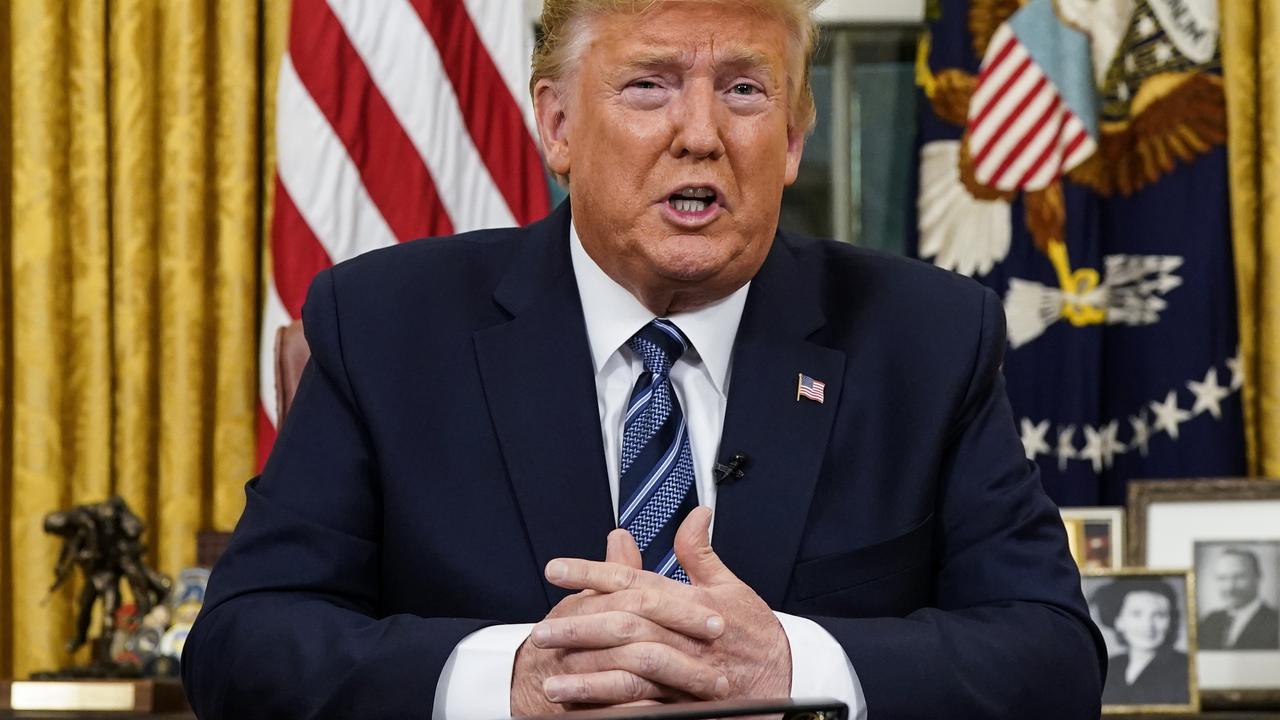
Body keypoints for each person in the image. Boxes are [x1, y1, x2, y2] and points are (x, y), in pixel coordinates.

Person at [181, 1, 1105, 717]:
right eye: (648, 86)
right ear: (557, 127)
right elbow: (244, 646)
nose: (699, 131)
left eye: (745, 89)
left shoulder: (927, 338)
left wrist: (786, 665)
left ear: (791, 140)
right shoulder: (385, 327)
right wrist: (514, 679)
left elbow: (1051, 654)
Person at [1092, 579, 1190, 706]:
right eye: (1136, 614)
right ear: (1118, 621)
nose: (1148, 625)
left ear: (1171, 622)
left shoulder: (1185, 668)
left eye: (1159, 615)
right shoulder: (1109, 667)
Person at [1199, 548, 1280, 650]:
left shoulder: (1275, 622)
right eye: (1222, 578)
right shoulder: (1209, 621)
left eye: (1239, 577)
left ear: (1258, 577)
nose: (1229, 587)